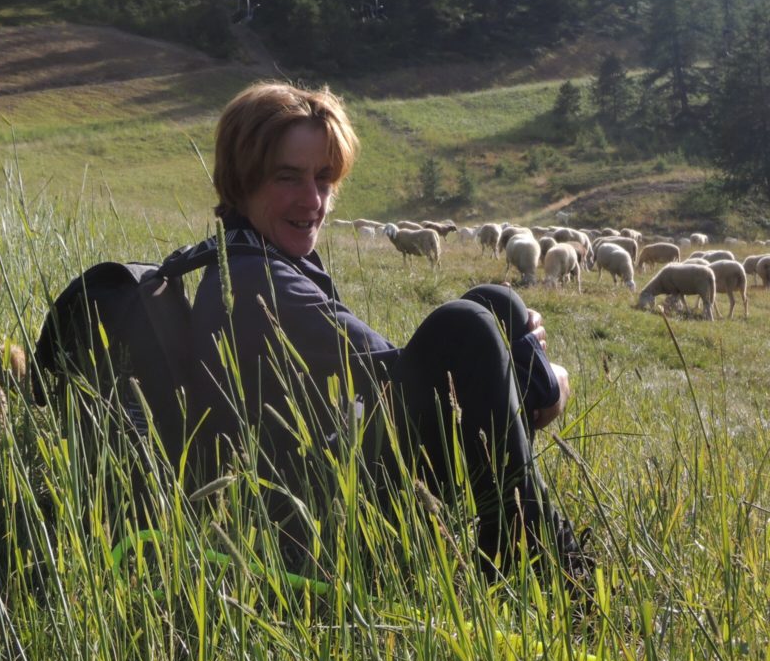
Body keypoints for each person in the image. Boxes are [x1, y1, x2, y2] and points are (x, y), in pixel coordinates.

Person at [188, 81, 589, 582]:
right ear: (241, 179)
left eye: (325, 178)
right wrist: (546, 380)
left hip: (330, 485)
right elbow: (397, 378)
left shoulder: (255, 259)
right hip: (306, 535)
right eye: (287, 177)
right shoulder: (256, 284)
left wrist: (511, 360)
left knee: (493, 301)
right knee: (465, 326)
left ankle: (519, 543)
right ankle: (553, 570)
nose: (312, 199)